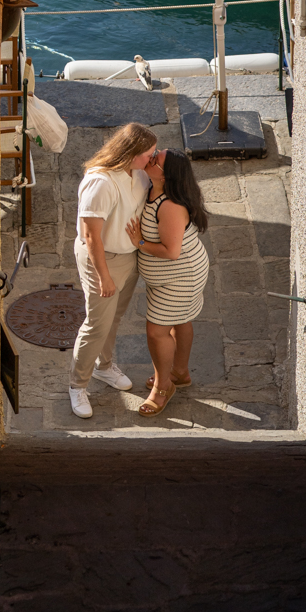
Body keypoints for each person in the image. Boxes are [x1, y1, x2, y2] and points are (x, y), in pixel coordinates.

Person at [69, 122, 158, 420]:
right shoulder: (101, 183)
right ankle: (77, 385)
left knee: (114, 318)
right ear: (131, 153)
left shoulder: (139, 172)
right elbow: (91, 236)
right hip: (102, 259)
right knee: (96, 325)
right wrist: (103, 276)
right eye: (148, 153)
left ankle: (103, 367)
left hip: (128, 256)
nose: (152, 157)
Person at [127, 147, 210, 417]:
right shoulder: (153, 187)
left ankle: (163, 388)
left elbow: (171, 252)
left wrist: (139, 241)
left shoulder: (171, 206)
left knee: (156, 332)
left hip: (181, 278)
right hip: (170, 277)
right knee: (180, 321)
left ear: (166, 176)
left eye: (156, 160)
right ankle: (180, 373)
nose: (150, 159)